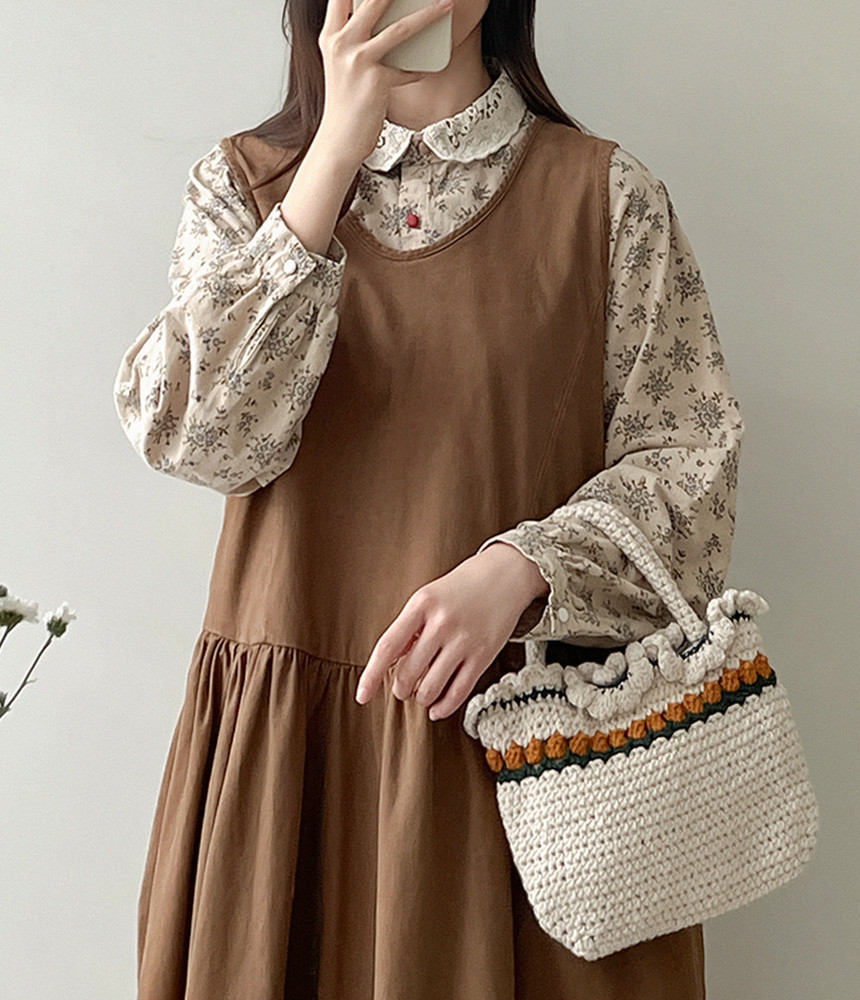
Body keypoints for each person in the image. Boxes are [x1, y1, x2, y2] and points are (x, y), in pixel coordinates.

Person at [113, 0, 744, 996]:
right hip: (294, 777)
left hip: (535, 770)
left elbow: (690, 473)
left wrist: (525, 568)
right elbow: (196, 436)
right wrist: (334, 151)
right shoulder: (244, 186)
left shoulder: (607, 198)